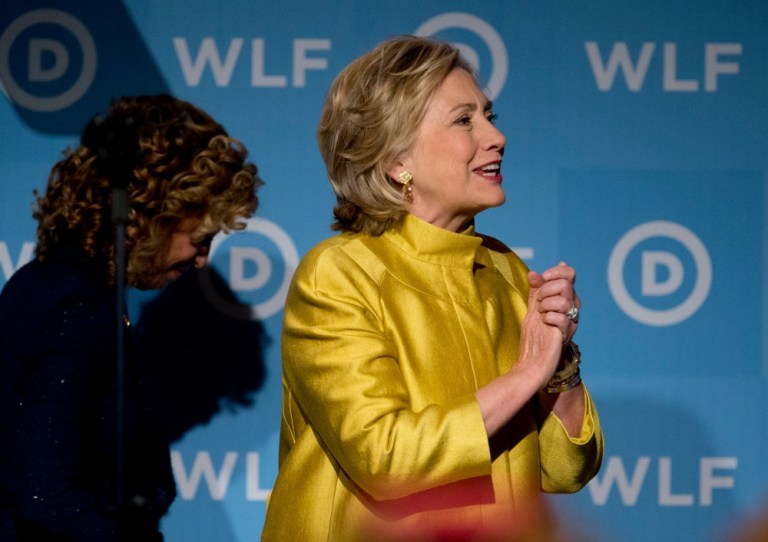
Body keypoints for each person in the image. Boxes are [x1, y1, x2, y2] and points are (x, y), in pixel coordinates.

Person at [262, 36, 603, 541]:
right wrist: (528, 372)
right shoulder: (338, 274)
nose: (496, 136)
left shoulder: (506, 269)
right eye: (465, 120)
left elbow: (565, 469)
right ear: (395, 158)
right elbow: (385, 457)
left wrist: (560, 366)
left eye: (489, 114)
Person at [0, 94, 261, 541]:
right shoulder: (72, 307)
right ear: (150, 213)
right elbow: (47, 496)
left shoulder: (76, 293)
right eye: (199, 238)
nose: (201, 260)